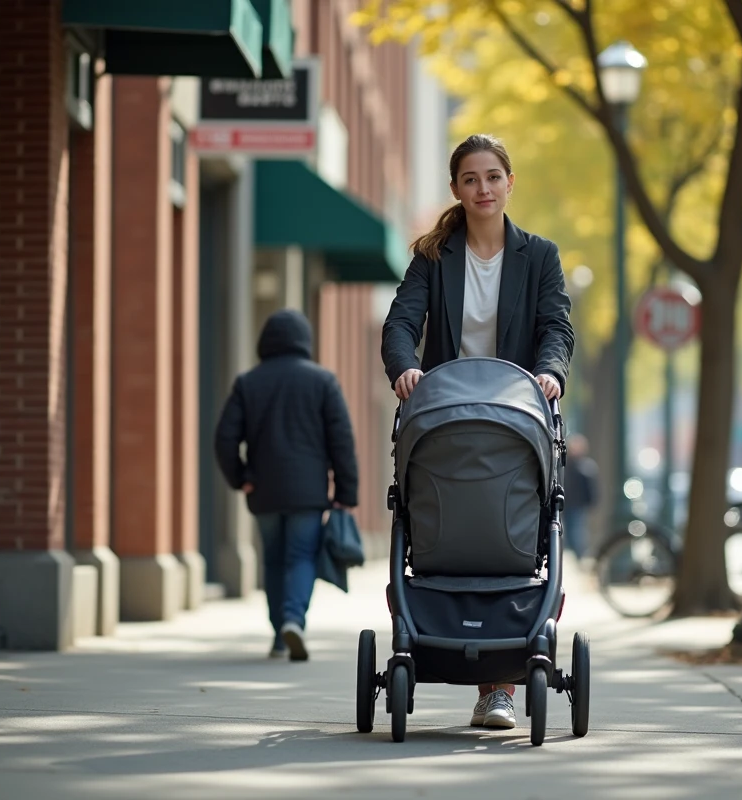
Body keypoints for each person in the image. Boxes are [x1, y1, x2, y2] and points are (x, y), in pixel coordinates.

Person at [381, 133, 575, 730]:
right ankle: (431, 642)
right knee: (450, 534)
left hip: (515, 419)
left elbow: (556, 326)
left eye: (493, 177)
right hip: (449, 421)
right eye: (471, 179)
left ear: (509, 183)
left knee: (510, 541)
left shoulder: (538, 256)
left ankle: (499, 689)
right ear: (456, 189)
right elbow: (400, 322)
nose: (483, 189)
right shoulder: (433, 258)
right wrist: (405, 368)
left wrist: (550, 373)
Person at [215, 309, 359, 663]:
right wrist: (346, 493)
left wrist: (241, 478)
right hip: (308, 493)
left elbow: (224, 439)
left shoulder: (248, 383)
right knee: (300, 557)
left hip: (263, 490)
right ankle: (294, 619)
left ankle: (280, 632)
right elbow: (341, 440)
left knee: (274, 560)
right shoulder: (323, 381)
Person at [562, 433, 600, 568]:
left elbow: (591, 488)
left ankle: (580, 558)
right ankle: (570, 557)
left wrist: (591, 503)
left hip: (578, 505)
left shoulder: (586, 466)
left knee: (577, 532)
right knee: (566, 532)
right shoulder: (564, 465)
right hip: (565, 504)